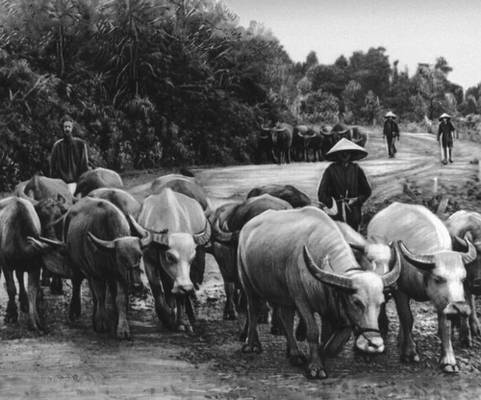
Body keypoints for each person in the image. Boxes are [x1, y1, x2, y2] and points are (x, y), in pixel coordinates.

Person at [317, 138, 372, 231]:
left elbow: (367, 191)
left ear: (351, 154)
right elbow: (321, 193)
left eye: (347, 152)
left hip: (354, 212)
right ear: (337, 155)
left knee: (354, 238)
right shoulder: (330, 170)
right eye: (341, 153)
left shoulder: (356, 169)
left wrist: (356, 200)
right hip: (336, 215)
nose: (344, 155)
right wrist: (333, 204)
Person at [50, 116, 89, 194]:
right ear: (63, 128)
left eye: (69, 127)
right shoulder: (57, 146)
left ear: (72, 128)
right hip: (60, 183)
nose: (67, 129)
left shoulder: (80, 144)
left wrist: (81, 183)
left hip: (75, 182)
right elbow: (52, 167)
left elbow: (84, 165)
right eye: (65, 127)